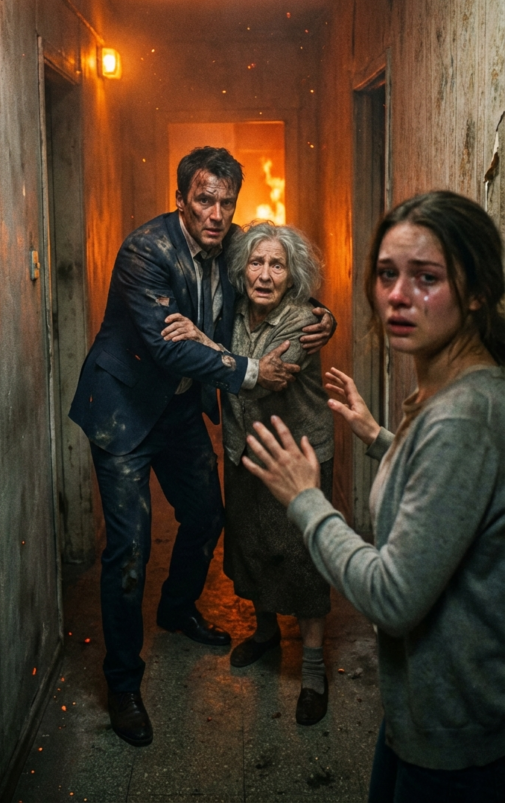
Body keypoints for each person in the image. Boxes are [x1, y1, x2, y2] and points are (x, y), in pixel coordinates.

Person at [242, 190, 505, 802]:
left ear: (476, 292)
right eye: (387, 274)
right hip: (420, 707)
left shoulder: (464, 415)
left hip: (458, 734)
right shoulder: (448, 395)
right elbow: (446, 499)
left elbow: (391, 597)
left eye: (427, 277)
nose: (398, 295)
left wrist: (307, 500)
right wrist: (381, 437)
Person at [69, 146, 336, 747]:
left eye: (226, 202)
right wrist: (249, 370)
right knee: (130, 549)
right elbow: (167, 346)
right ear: (181, 199)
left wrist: (322, 316)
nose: (216, 214)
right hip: (124, 410)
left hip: (179, 408)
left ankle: (177, 607)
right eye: (204, 200)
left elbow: (279, 282)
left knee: (207, 515)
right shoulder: (144, 251)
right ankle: (123, 683)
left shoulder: (234, 242)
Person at [162, 220, 334, 725]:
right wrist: (209, 342)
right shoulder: (232, 312)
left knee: (304, 560)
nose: (264, 274)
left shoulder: (302, 322)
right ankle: (266, 632)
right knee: (251, 547)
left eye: (277, 265)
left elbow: (260, 378)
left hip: (297, 458)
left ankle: (313, 670)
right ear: (242, 270)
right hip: (245, 451)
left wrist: (200, 341)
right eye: (256, 262)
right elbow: (230, 364)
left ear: (292, 275)